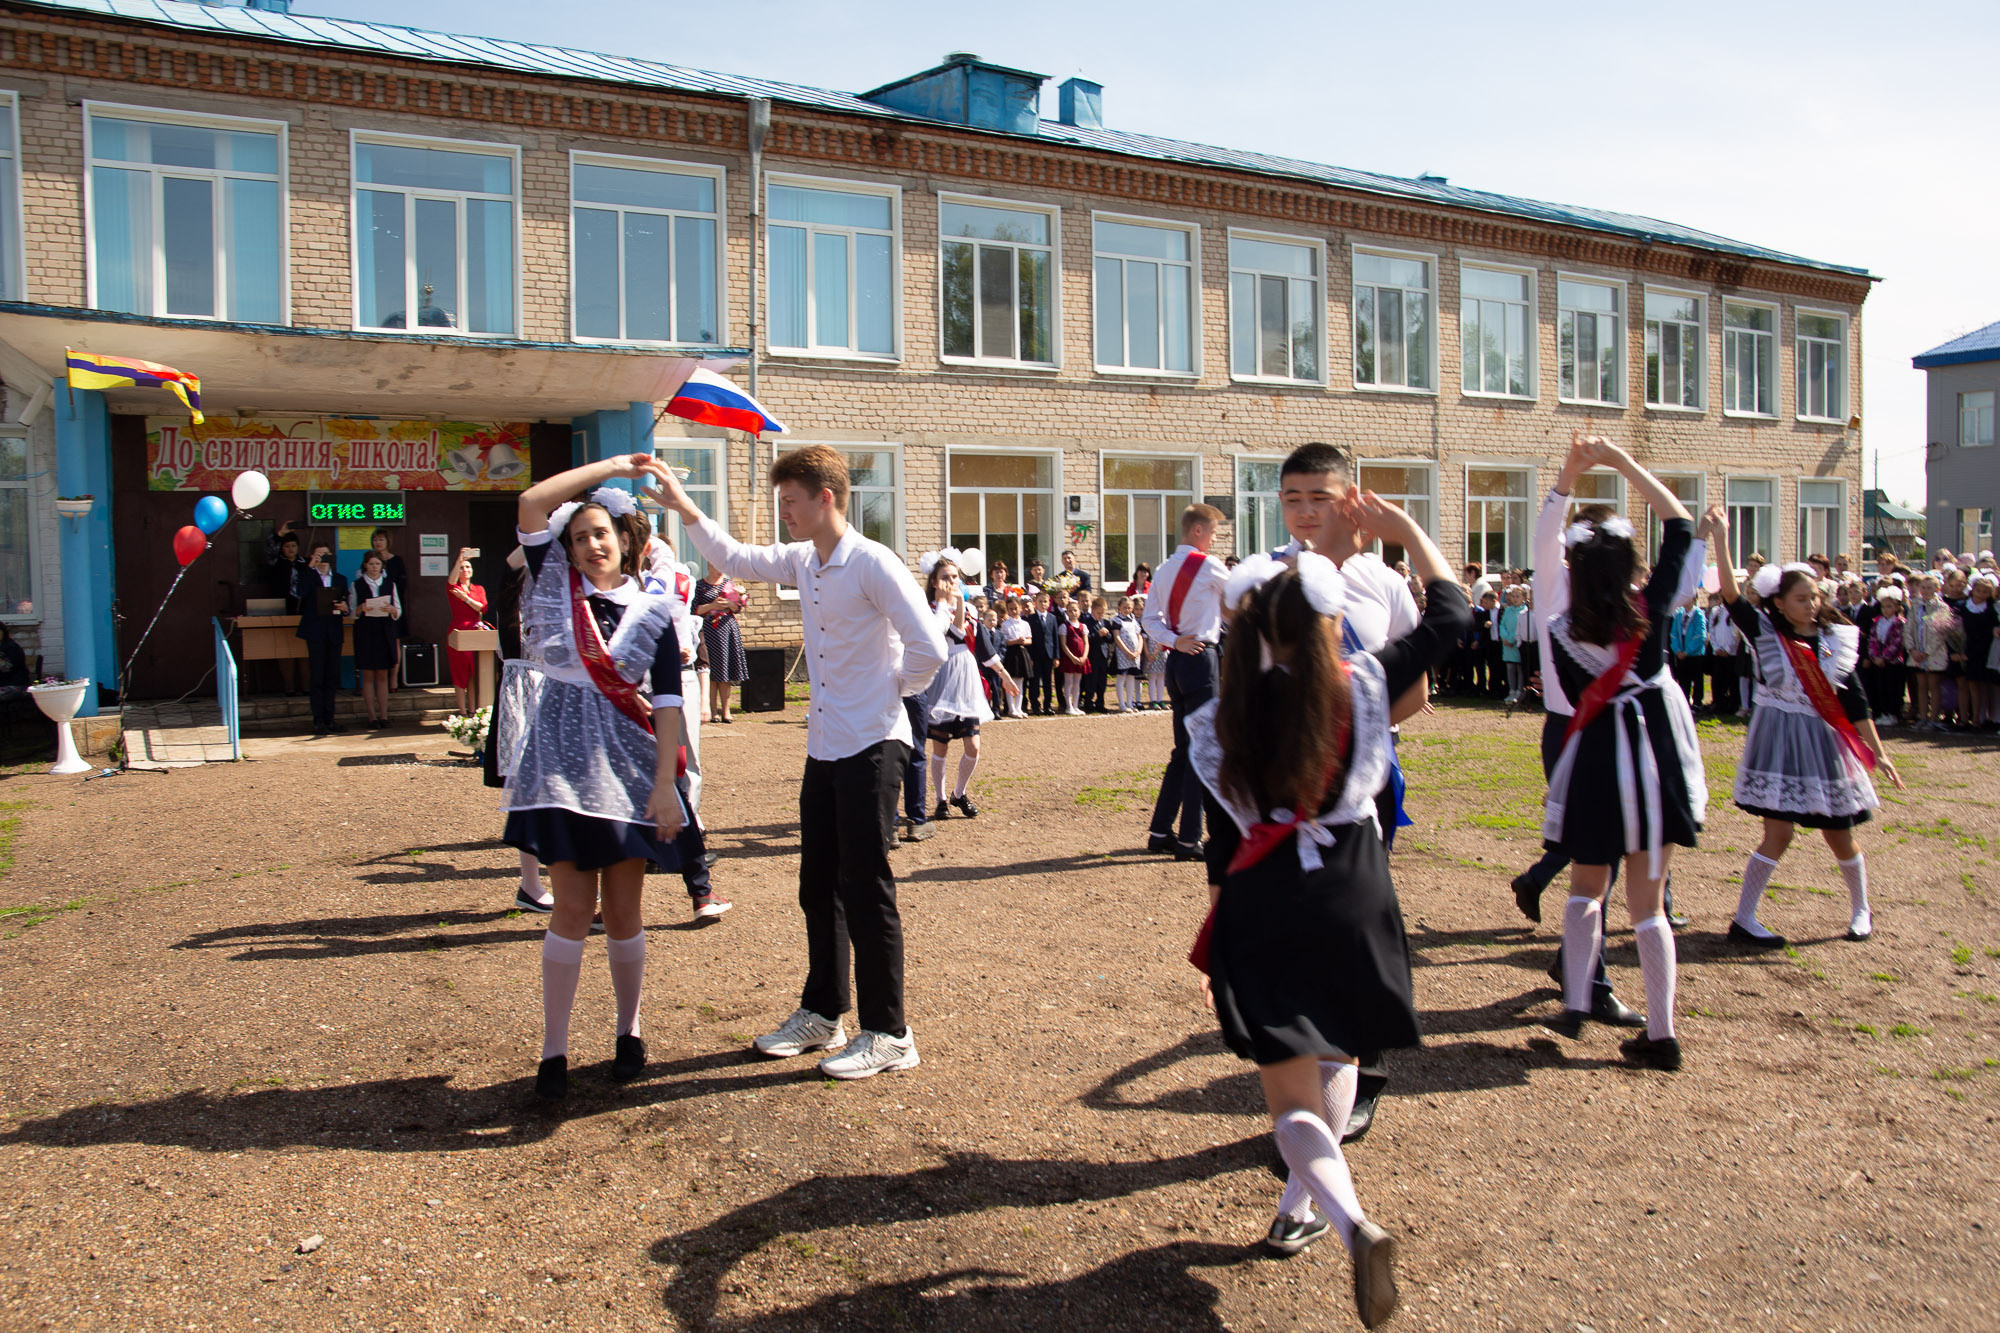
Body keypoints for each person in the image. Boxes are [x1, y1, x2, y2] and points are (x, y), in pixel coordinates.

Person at [1191, 491, 1467, 1325]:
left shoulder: (1221, 714)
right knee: (1341, 1045)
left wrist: (1217, 918)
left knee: (1290, 1098)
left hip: (1264, 889)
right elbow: (1452, 611)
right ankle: (1314, 1211)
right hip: (1355, 878)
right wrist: (1407, 532)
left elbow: (1220, 835)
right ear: (1324, 622)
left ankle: (1344, 1218)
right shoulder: (1368, 681)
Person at [657, 445, 947, 1080]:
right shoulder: (802, 559)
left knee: (867, 887)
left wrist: (888, 690)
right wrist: (682, 507)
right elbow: (733, 557)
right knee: (817, 884)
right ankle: (823, 1012)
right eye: (780, 501)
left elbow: (931, 647)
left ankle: (891, 1033)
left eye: (792, 501)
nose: (784, 512)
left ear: (828, 498)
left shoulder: (873, 563)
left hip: (875, 743)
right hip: (825, 745)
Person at [499, 456, 690, 1100]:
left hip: (630, 772)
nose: (591, 544)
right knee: (574, 909)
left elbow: (667, 702)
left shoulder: (656, 606)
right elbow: (531, 502)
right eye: (579, 536)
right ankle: (553, 1049)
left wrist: (667, 784)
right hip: (559, 770)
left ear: (626, 539)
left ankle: (628, 1032)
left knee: (626, 910)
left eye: (601, 532)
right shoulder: (552, 585)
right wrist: (611, 466)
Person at [1539, 437, 1704, 1071]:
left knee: (1586, 886)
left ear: (1574, 569)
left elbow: (1550, 546)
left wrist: (1572, 477)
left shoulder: (1559, 627)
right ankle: (1661, 1033)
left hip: (1597, 764)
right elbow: (1681, 525)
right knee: (1649, 901)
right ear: (1632, 564)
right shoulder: (1652, 612)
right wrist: (1626, 465)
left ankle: (1578, 1000)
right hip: (1657, 762)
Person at [1716, 545, 1903, 947]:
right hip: (1777, 741)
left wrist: (1878, 752)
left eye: (1815, 596)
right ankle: (1744, 917)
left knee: (1839, 834)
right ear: (1779, 603)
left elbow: (1855, 701)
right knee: (1777, 834)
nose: (1811, 603)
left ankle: (1860, 910)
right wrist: (1721, 537)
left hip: (1822, 743)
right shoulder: (1765, 633)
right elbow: (1731, 595)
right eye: (1801, 598)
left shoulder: (1837, 640)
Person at [1143, 503, 1231, 859]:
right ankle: (1188, 838)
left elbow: (1150, 619)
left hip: (1178, 658)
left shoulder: (1164, 569)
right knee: (1202, 750)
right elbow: (1243, 595)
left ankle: (1161, 830)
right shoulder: (1208, 565)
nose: (1213, 539)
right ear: (1197, 531)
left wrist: (1173, 640)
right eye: (1212, 532)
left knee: (1183, 751)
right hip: (1201, 657)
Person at [920, 548, 1007, 815]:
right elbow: (951, 632)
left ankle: (960, 793)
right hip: (940, 675)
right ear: (934, 581)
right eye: (945, 577)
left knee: (973, 744)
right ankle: (941, 800)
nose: (951, 581)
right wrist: (948, 602)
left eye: (955, 576)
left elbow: (981, 644)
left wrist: (1004, 676)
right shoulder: (928, 608)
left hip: (965, 676)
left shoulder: (968, 608)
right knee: (941, 745)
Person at [296, 541, 350, 737]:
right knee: (317, 676)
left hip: (334, 632)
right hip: (316, 632)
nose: (322, 558)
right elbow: (300, 592)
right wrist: (310, 566)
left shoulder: (340, 579)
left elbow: (345, 604)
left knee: (331, 677)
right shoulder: (309, 576)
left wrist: (345, 609)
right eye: (318, 555)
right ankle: (318, 720)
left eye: (325, 554)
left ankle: (330, 718)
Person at [350, 551, 403, 727]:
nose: (374, 567)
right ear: (365, 565)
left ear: (382, 566)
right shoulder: (357, 584)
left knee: (382, 675)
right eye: (371, 564)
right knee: (367, 675)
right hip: (365, 631)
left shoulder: (389, 584)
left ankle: (384, 715)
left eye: (377, 564)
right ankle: (372, 716)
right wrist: (360, 608)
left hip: (384, 630)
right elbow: (351, 612)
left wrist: (392, 610)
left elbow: (398, 610)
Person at [693, 562, 748, 723]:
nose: (721, 571)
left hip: (727, 630)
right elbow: (694, 610)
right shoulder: (699, 586)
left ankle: (726, 711)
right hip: (708, 631)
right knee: (711, 671)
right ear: (709, 565)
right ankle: (712, 710)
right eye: (717, 566)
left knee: (725, 672)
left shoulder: (729, 584)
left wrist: (731, 604)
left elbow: (738, 608)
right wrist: (713, 605)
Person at [263, 522, 307, 695]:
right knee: (285, 651)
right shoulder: (277, 563)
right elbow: (269, 550)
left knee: (304, 651)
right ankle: (289, 688)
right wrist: (279, 535)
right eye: (287, 546)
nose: (290, 549)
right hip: (282, 611)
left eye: (293, 546)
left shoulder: (305, 563)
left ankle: (306, 687)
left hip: (303, 612)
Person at [445, 548, 489, 716]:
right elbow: (450, 581)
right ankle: (462, 711)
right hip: (458, 631)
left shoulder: (478, 589)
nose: (466, 570)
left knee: (473, 673)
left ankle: (473, 710)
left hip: (475, 630)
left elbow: (482, 607)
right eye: (463, 567)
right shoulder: (454, 587)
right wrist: (459, 559)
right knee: (459, 673)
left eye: (468, 567)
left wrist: (465, 598)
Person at [370, 529, 410, 690]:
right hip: (374, 610)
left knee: (395, 642)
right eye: (375, 540)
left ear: (387, 541)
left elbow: (403, 584)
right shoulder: (370, 560)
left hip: (393, 607)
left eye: (380, 539)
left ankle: (394, 678)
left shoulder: (396, 561)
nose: (378, 543)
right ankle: (380, 680)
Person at [1862, 584, 1906, 727]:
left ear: (1896, 607)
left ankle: (1892, 713)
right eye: (1883, 606)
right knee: (1880, 687)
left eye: (1889, 606)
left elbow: (1897, 642)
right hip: (1878, 661)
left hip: (1893, 662)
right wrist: (1874, 656)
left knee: (1892, 688)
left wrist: (1884, 657)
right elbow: (1872, 639)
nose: (1885, 609)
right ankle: (1882, 712)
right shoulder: (1877, 621)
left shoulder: (1899, 623)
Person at [1025, 591, 1060, 716]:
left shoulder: (1052, 618)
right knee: (1034, 682)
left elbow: (1055, 637)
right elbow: (1029, 639)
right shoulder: (1031, 619)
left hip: (1048, 655)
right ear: (1035, 603)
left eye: (1045, 601)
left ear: (1049, 603)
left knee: (1047, 682)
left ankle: (1047, 705)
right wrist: (1030, 657)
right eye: (1040, 601)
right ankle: (1035, 705)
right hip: (1036, 655)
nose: (1043, 604)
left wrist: (1056, 656)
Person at [999, 597, 1033, 718]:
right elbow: (1005, 641)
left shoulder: (1025, 624)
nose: (1014, 611)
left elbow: (1030, 640)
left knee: (1021, 682)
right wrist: (1015, 641)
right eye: (1011, 609)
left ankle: (1018, 708)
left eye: (1016, 608)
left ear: (1020, 608)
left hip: (1022, 652)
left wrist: (1023, 641)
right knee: (1011, 680)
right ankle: (1011, 708)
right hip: (1011, 653)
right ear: (1007, 610)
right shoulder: (1005, 624)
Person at [1112, 596, 1145, 711]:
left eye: (1129, 607)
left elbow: (1139, 636)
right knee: (1121, 677)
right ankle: (1122, 704)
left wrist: (1138, 651)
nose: (1127, 610)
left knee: (1131, 677)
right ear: (1119, 607)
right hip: (1123, 653)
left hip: (1135, 654)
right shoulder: (1117, 620)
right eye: (1124, 607)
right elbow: (1117, 637)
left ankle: (1130, 703)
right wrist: (1127, 651)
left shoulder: (1133, 620)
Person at [1497, 585, 1528, 703]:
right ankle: (1512, 690)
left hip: (1517, 643)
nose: (1515, 599)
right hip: (1507, 645)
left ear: (1523, 597)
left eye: (1517, 596)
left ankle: (1519, 691)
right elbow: (1502, 625)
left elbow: (1520, 628)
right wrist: (1505, 637)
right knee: (1510, 668)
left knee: (1519, 668)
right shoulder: (1508, 610)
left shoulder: (1524, 610)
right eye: (1513, 596)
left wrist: (1511, 639)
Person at [1058, 600, 1089, 715]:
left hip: (1081, 658)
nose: (1073, 613)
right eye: (1070, 611)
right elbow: (1063, 644)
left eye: (1075, 610)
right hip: (1069, 658)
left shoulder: (1083, 626)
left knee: (1077, 682)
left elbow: (1086, 642)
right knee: (1068, 682)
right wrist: (1072, 657)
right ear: (1067, 612)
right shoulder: (1064, 626)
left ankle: (1076, 706)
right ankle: (1068, 706)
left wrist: (1084, 656)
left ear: (1079, 612)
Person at [1085, 594, 1114, 712]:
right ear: (1092, 610)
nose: (1101, 615)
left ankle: (1100, 703)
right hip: (1092, 656)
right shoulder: (1087, 622)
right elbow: (1087, 639)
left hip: (1103, 656)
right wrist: (1098, 635)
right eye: (1098, 613)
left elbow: (1111, 640)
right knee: (1091, 681)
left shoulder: (1106, 623)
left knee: (1102, 682)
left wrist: (1107, 634)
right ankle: (1088, 703)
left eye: (1103, 613)